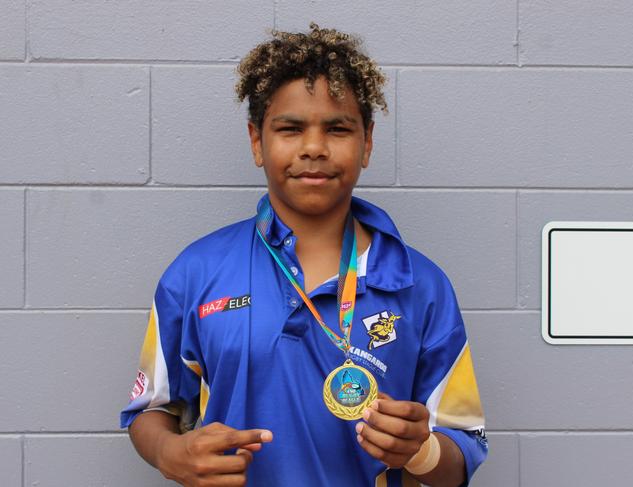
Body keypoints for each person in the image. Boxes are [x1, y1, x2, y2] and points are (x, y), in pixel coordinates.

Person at [121, 23, 487, 487]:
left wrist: (422, 451)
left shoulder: (422, 285)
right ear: (257, 141)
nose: (314, 148)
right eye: (290, 129)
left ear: (367, 142)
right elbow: (150, 410)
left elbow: (462, 457)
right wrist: (169, 452)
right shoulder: (196, 273)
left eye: (337, 129)